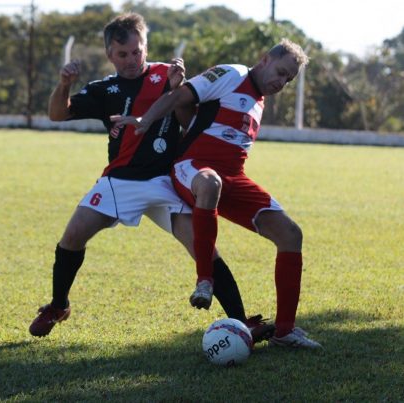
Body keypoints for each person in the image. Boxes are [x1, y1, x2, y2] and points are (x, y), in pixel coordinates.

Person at [29, 13, 274, 341]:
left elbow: (189, 123)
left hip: (165, 182)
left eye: (137, 52)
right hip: (119, 180)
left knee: (204, 248)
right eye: (122, 54)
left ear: (145, 47)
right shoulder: (105, 88)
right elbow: (57, 114)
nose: (131, 60)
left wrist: (176, 89)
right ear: (109, 55)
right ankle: (58, 306)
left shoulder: (169, 75)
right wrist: (64, 84)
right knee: (72, 236)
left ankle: (243, 321)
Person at [111, 38, 321, 348]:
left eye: (288, 79)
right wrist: (146, 119)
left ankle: (285, 330)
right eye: (280, 72)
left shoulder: (259, 102)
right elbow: (180, 97)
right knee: (210, 183)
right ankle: (205, 280)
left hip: (233, 178)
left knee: (291, 234)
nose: (281, 82)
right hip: (193, 168)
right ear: (264, 60)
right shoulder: (232, 75)